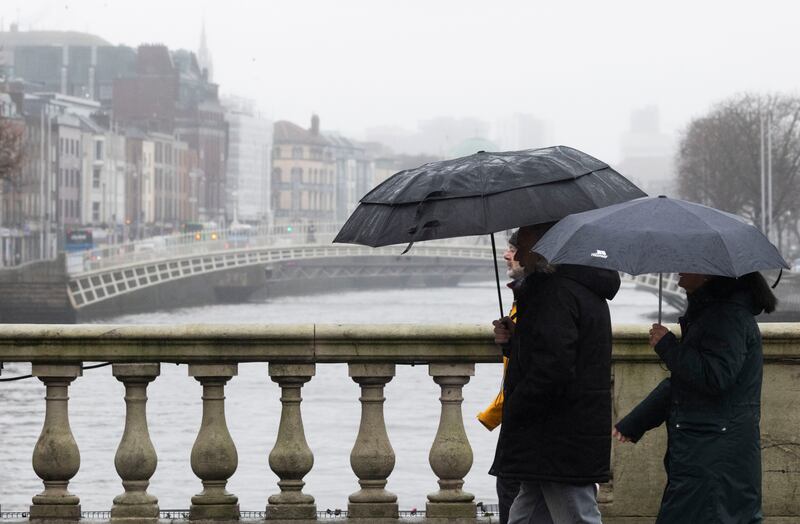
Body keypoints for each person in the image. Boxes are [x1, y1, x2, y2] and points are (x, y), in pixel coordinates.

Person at [613, 271, 775, 523]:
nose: (679, 269)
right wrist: (636, 422)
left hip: (711, 452)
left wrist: (667, 346)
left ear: (707, 275)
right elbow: (684, 384)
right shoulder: (714, 314)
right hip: (708, 448)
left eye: (687, 265)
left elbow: (714, 377)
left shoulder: (726, 318)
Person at [490, 222, 621, 524]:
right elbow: (558, 349)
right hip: (561, 431)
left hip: (556, 433)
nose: (516, 253)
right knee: (526, 514)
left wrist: (517, 407)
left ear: (544, 247)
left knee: (576, 516)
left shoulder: (554, 293)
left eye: (521, 244)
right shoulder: (578, 288)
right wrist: (517, 338)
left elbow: (553, 367)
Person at [477, 230, 524, 524]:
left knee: (513, 492)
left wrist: (497, 412)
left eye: (514, 248)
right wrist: (511, 340)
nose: (506, 254)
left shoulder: (540, 300)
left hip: (527, 422)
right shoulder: (524, 300)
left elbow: (540, 367)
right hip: (524, 420)